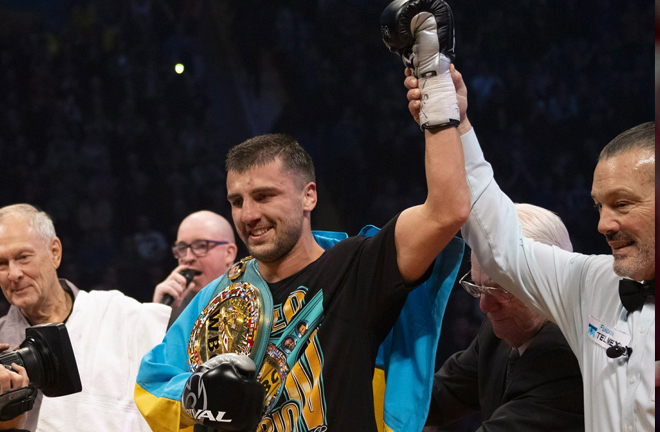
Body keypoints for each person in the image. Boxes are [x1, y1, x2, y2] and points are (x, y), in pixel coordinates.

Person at [135, 2, 469, 429]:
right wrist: (194, 395)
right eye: (236, 201)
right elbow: (152, 381)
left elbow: (447, 210)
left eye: (264, 196)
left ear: (309, 196)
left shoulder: (356, 267)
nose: (248, 214)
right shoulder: (215, 297)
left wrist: (435, 83)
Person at [405, 63, 655, 430]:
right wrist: (449, 117)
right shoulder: (592, 285)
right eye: (599, 207)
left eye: (622, 204)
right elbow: (497, 237)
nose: (604, 225)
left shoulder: (557, 355)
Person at [0, 204, 170, 432]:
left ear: (55, 253)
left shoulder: (118, 312)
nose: (13, 274)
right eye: (1, 264)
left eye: (23, 257)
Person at [427, 203, 584, 432]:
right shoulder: (501, 331)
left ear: (552, 282)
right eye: (479, 287)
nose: (483, 306)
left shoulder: (566, 357)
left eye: (500, 290)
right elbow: (441, 396)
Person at [152, 210, 237, 326]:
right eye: (182, 248)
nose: (188, 258)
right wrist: (158, 312)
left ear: (229, 253)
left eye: (201, 246)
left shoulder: (254, 299)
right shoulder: (175, 306)